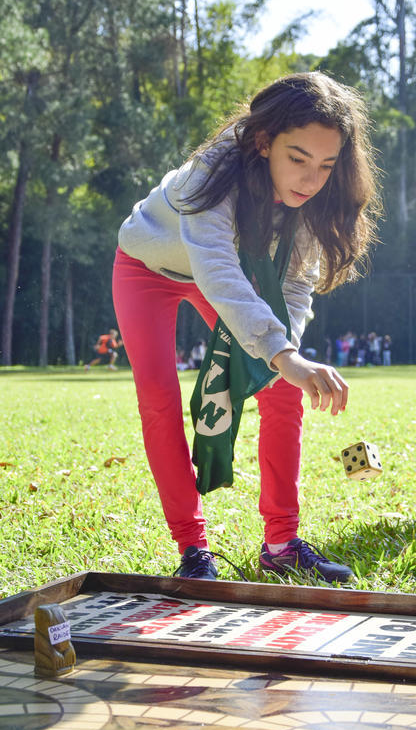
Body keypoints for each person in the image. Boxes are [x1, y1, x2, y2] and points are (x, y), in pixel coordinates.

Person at [113, 72, 380, 581]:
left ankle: (281, 543)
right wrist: (282, 354)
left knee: (282, 388)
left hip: (219, 279)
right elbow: (219, 273)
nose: (310, 178)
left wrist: (288, 357)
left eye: (326, 165)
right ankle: (193, 549)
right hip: (149, 268)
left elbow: (294, 287)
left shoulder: (314, 198)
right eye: (297, 159)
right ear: (264, 142)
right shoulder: (208, 175)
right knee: (158, 396)